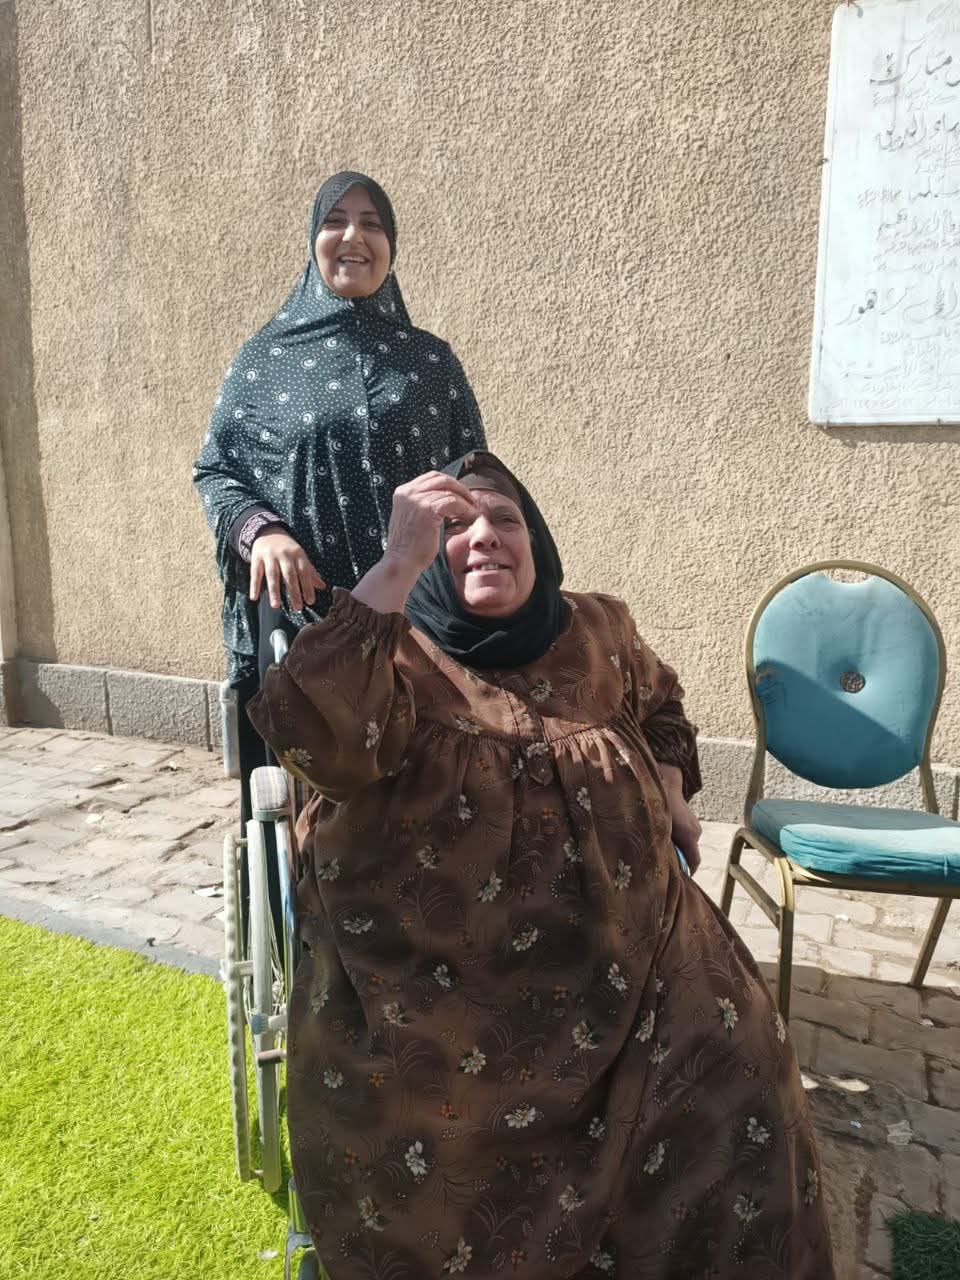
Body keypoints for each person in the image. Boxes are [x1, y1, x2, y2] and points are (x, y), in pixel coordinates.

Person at [248, 451, 835, 1279]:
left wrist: (670, 785)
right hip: (434, 989)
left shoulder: (599, 630)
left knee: (743, 1074)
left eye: (506, 520)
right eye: (452, 527)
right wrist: (395, 564)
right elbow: (313, 737)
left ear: (538, 543)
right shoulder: (388, 651)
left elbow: (663, 707)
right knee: (431, 1141)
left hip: (640, 956)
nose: (485, 536)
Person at [193, 170, 485, 815]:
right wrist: (260, 531)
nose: (354, 236)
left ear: (391, 246)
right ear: (313, 241)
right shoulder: (262, 361)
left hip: (420, 621)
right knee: (318, 806)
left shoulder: (430, 363)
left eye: (372, 224)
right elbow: (217, 469)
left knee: (430, 797)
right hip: (308, 628)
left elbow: (474, 475)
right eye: (335, 221)